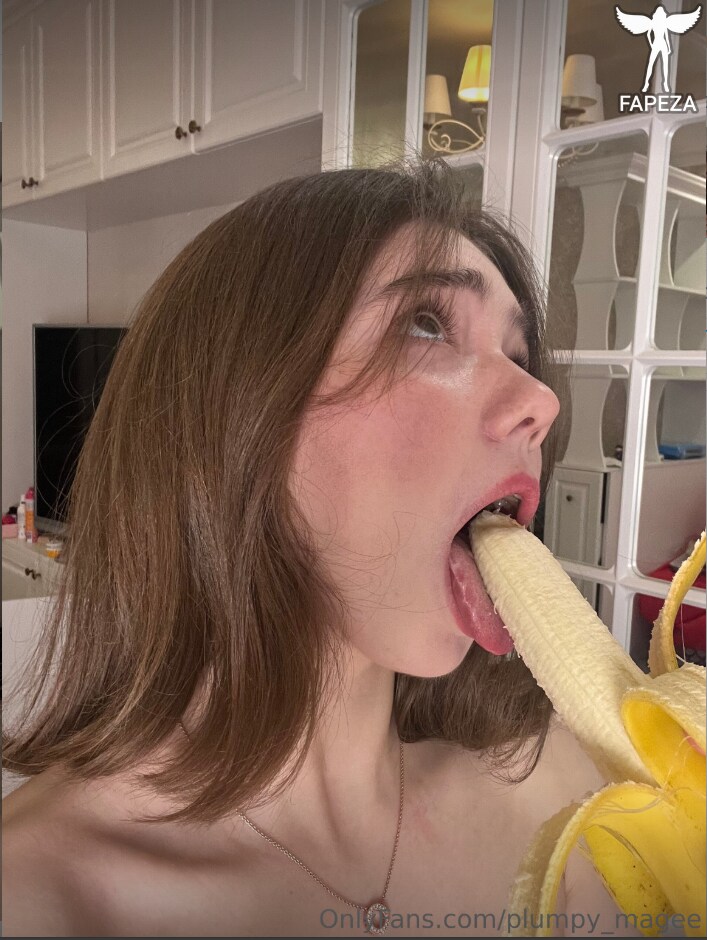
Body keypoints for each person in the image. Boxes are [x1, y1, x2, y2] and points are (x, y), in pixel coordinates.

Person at [3, 163, 638, 938]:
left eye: (519, 354)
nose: (541, 399)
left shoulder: (564, 788)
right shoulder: (38, 898)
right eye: (425, 323)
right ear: (229, 412)